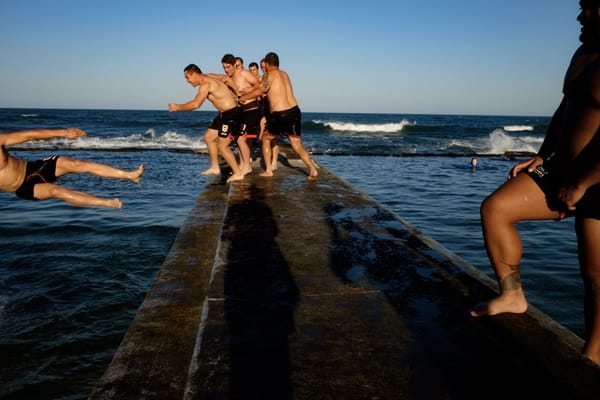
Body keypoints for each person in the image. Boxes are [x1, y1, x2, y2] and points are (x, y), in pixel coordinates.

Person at [470, 0, 600, 366]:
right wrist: (543, 154)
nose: (579, 15)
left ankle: (593, 356)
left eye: (589, 8)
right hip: (562, 170)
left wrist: (582, 184)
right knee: (496, 209)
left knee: (595, 277)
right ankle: (512, 296)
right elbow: (567, 108)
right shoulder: (583, 52)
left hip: (597, 180)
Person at [0, 128, 144, 209]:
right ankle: (107, 203)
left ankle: (130, 175)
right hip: (23, 187)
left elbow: (29, 135)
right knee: (56, 191)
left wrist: (64, 132)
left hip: (34, 168)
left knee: (77, 164)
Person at [169, 64, 244, 183]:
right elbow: (226, 78)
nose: (187, 81)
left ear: (194, 74)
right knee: (209, 137)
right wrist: (237, 93)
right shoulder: (211, 76)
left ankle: (238, 173)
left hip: (231, 115)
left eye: (187, 77)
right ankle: (215, 167)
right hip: (223, 115)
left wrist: (178, 107)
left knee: (222, 145)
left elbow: (196, 104)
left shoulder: (206, 84)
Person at [260, 52, 318, 179]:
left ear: (268, 64)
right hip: (294, 111)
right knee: (297, 144)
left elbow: (260, 90)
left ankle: (268, 171)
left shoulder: (268, 75)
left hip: (280, 114)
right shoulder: (285, 74)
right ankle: (312, 169)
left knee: (265, 139)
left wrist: (241, 96)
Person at [220, 54, 264, 175]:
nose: (226, 70)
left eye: (228, 67)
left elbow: (260, 87)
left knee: (241, 139)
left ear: (235, 65)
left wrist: (247, 92)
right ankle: (242, 165)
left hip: (251, 110)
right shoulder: (230, 79)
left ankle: (247, 166)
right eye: (224, 67)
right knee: (238, 139)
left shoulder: (243, 73)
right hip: (240, 113)